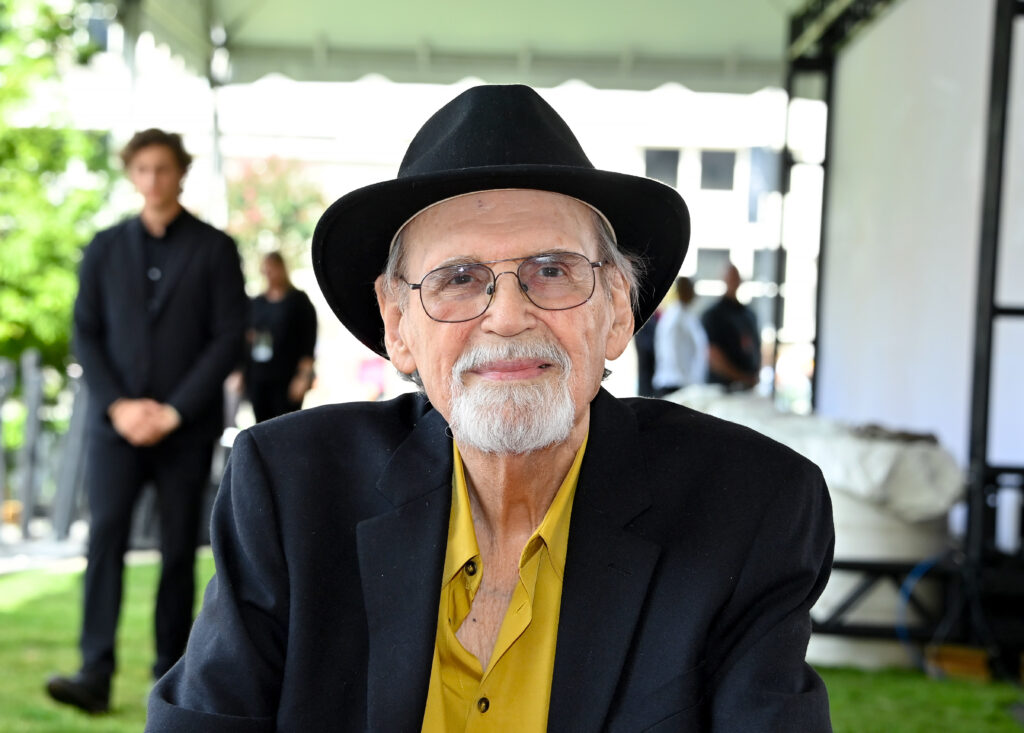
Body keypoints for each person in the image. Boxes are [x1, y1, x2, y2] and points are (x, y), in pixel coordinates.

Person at [147, 85, 834, 731]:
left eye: (553, 271)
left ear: (618, 314)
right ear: (397, 324)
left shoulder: (752, 510)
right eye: (459, 278)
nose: (508, 316)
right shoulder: (291, 490)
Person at [47, 129, 247, 714]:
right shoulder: (105, 247)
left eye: (163, 168)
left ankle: (171, 678)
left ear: (180, 172)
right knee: (104, 538)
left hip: (185, 428)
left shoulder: (214, 249)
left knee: (179, 548)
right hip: (115, 427)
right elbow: (85, 330)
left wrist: (174, 410)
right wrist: (119, 406)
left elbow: (228, 336)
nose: (153, 179)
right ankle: (94, 671)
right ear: (131, 174)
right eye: (142, 169)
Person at [244, 251, 318, 422]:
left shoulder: (298, 301)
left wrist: (303, 376)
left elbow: (308, 340)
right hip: (259, 376)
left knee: (286, 425)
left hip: (287, 376)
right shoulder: (257, 302)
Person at [701, 263, 762, 389]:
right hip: (721, 388)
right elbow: (713, 356)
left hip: (748, 388)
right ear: (724, 280)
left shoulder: (749, 315)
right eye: (730, 278)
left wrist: (752, 377)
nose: (734, 282)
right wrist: (742, 377)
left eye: (736, 278)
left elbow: (755, 348)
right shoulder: (713, 315)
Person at [652, 276, 708, 396]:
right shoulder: (675, 318)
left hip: (684, 383)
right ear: (683, 291)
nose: (694, 293)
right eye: (691, 288)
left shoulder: (686, 315)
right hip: (675, 384)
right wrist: (690, 383)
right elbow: (673, 353)